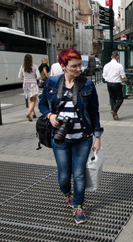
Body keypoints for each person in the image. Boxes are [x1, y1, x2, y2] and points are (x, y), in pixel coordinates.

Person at [37, 48, 103, 224]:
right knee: (64, 176)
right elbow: (42, 105)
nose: (79, 69)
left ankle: (78, 205)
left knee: (79, 174)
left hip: (82, 138)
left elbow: (94, 112)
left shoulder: (87, 85)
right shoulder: (51, 83)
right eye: (74, 66)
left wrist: (97, 137)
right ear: (63, 66)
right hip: (60, 138)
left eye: (80, 65)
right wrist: (50, 116)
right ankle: (67, 193)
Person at [103, 51, 126, 120]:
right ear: (117, 57)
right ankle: (114, 110)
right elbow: (123, 76)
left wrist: (108, 79)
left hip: (109, 83)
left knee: (112, 98)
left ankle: (114, 114)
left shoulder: (106, 65)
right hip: (117, 83)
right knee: (120, 98)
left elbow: (104, 75)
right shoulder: (119, 65)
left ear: (111, 57)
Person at [18, 54, 41, 122]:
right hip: (33, 83)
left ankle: (33, 113)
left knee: (29, 99)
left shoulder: (22, 67)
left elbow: (19, 77)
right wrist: (34, 78)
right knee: (34, 99)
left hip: (25, 84)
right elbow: (39, 76)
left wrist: (25, 78)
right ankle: (29, 113)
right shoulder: (34, 66)